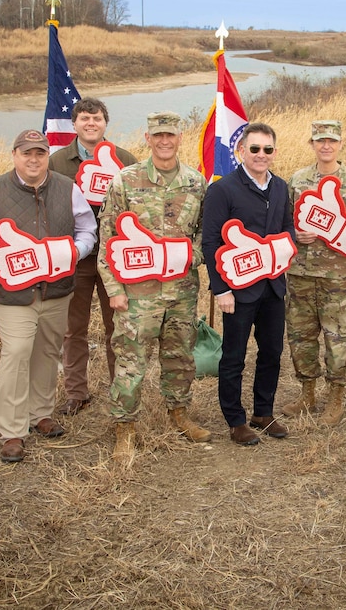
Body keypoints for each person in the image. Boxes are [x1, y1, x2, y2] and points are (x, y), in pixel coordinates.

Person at [0, 129, 96, 463]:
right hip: (13, 293)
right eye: (27, 153)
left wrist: (72, 253)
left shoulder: (68, 189)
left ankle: (40, 413)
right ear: (14, 155)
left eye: (39, 153)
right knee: (17, 352)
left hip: (56, 289)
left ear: (46, 156)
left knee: (47, 349)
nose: (33, 160)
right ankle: (12, 430)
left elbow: (87, 229)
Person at [97, 112, 210, 464]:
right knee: (131, 362)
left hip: (181, 291)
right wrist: (114, 289)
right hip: (137, 294)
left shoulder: (195, 182)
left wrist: (189, 256)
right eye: (158, 135)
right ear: (148, 137)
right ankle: (124, 429)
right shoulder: (125, 181)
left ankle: (179, 414)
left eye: (171, 135)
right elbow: (108, 239)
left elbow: (207, 234)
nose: (165, 141)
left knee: (179, 357)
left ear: (179, 138)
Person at [203, 123, 294, 446]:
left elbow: (287, 230)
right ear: (241, 150)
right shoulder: (223, 189)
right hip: (238, 290)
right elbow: (211, 242)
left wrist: (286, 252)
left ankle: (263, 412)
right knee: (234, 355)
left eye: (267, 149)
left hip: (272, 287)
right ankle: (236, 420)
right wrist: (221, 288)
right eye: (254, 149)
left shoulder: (281, 188)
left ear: (274, 153)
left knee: (271, 351)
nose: (260, 155)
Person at [48, 97, 137, 416]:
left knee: (119, 326)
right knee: (74, 328)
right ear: (74, 124)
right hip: (77, 258)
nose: (90, 123)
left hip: (116, 259)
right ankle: (76, 392)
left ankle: (120, 389)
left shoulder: (124, 159)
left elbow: (137, 206)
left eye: (96, 118)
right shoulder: (57, 161)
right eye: (84, 118)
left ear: (105, 123)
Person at [280, 120, 346, 426]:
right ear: (312, 144)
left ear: (341, 144)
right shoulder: (298, 180)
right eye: (320, 141)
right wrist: (294, 234)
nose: (326, 146)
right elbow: (284, 220)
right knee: (301, 337)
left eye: (332, 140)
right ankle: (307, 393)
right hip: (301, 273)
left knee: (337, 337)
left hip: (338, 276)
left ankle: (336, 397)